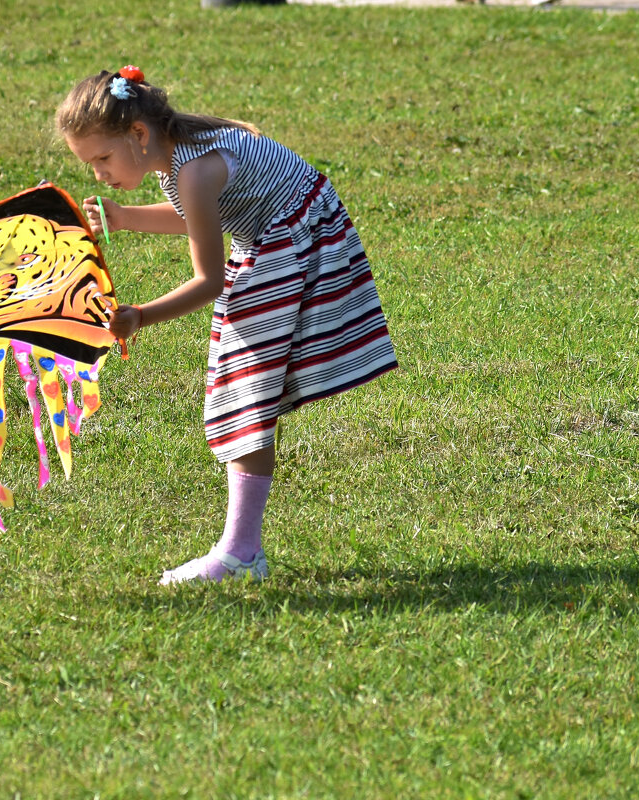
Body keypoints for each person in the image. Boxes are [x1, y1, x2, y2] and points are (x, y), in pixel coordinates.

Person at [56, 65, 398, 585]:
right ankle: (242, 550)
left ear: (139, 134)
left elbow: (209, 280)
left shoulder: (192, 169)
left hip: (293, 240)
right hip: (288, 231)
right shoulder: (179, 155)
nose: (98, 173)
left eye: (102, 158)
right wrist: (124, 215)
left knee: (244, 389)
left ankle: (240, 555)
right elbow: (202, 217)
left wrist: (141, 316)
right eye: (90, 164)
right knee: (242, 386)